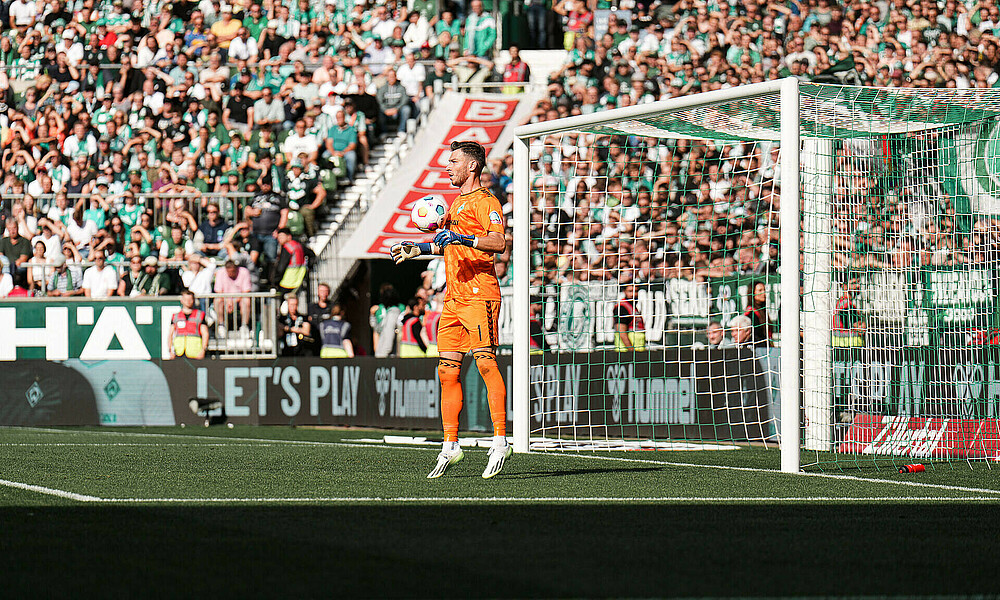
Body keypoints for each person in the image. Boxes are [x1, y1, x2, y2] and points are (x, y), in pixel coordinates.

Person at [390, 140, 510, 479]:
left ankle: (500, 440)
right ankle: (451, 445)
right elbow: (448, 244)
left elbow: (498, 242)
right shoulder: (456, 203)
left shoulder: (487, 201)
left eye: (454, 161)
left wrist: (464, 240)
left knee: (486, 364)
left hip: (480, 294)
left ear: (472, 166)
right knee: (447, 372)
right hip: (454, 298)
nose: (448, 166)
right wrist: (419, 248)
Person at [169, 290, 209, 360]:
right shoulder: (175, 316)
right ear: (182, 300)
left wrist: (203, 350)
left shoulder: (200, 315)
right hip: (179, 352)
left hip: (195, 352)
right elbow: (170, 334)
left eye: (190, 299)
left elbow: (205, 333)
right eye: (185, 299)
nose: (188, 301)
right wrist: (170, 350)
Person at [370, 282, 404, 358]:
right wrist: (372, 316)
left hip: (388, 356)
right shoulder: (382, 310)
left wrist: (381, 355)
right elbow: (377, 329)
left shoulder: (395, 312)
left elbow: (389, 336)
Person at [272, 227, 307, 295]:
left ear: (289, 236)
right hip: (299, 280)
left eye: (282, 236)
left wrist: (275, 282)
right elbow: (311, 254)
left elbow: (281, 267)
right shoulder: (299, 245)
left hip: (287, 282)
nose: (279, 239)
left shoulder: (287, 247)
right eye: (278, 237)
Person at [833, 276, 865, 347]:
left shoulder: (845, 303)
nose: (857, 286)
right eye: (853, 283)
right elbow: (859, 329)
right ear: (844, 286)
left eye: (858, 282)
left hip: (846, 344)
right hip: (847, 345)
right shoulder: (846, 304)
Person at [614, 283, 646, 352]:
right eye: (630, 291)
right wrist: (631, 350)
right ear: (624, 292)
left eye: (636, 291)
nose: (634, 294)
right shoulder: (622, 308)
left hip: (637, 350)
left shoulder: (633, 307)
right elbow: (622, 331)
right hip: (626, 351)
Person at [744, 281, 772, 349]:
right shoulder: (750, 314)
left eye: (764, 290)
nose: (764, 293)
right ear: (752, 293)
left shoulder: (762, 311)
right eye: (760, 290)